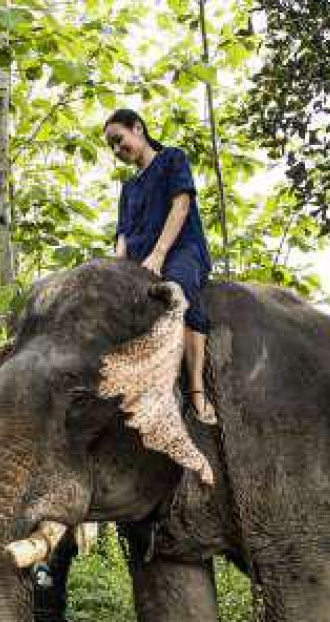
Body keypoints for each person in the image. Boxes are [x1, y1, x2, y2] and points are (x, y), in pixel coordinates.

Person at [104, 108, 217, 425]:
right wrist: (115, 273)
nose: (117, 150)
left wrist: (159, 253)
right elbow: (123, 237)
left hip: (180, 249)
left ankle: (195, 389)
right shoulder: (128, 188)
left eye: (119, 139)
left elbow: (181, 206)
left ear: (137, 128)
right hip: (140, 261)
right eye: (111, 146)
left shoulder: (173, 159)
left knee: (177, 290)